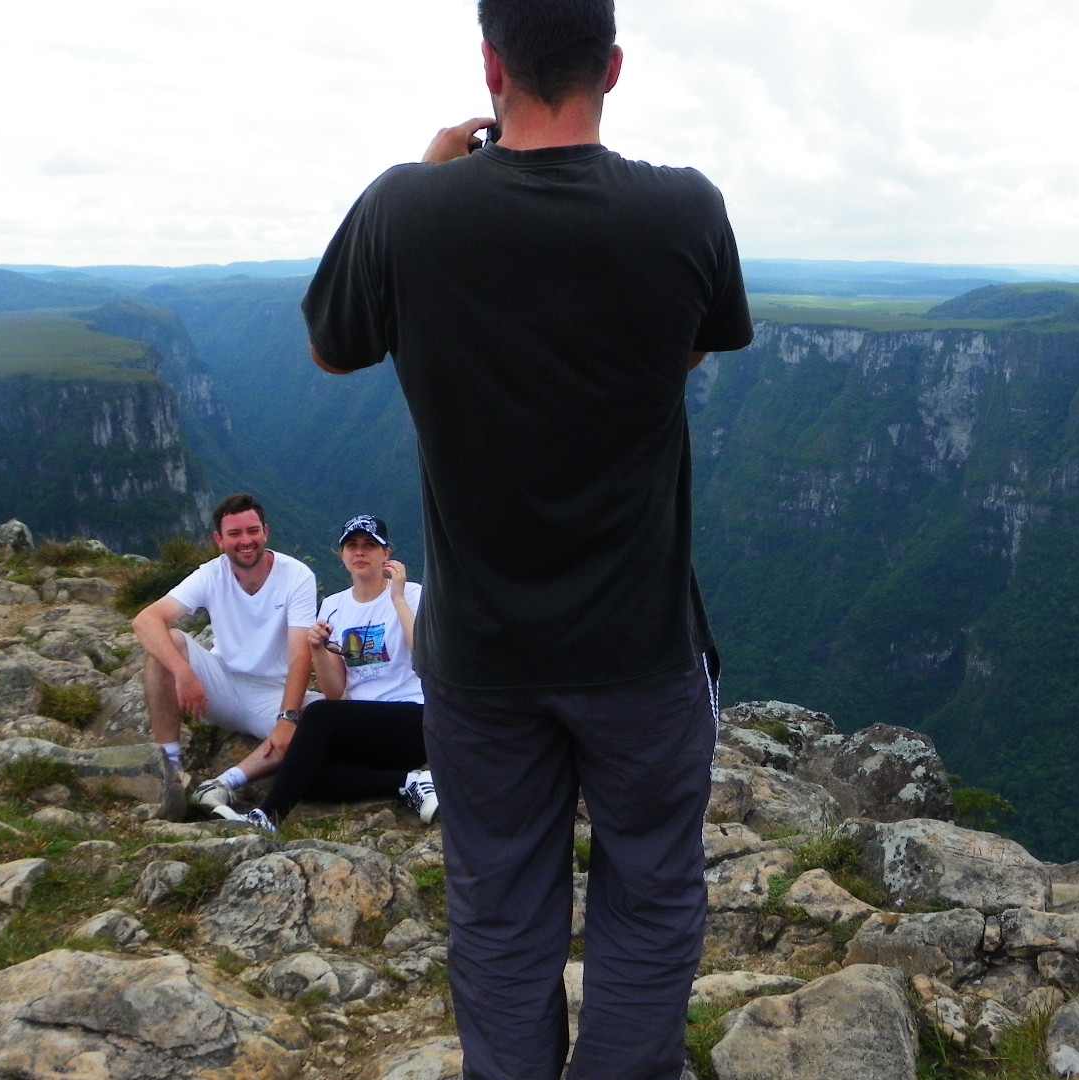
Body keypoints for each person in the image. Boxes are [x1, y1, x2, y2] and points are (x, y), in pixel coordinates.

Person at [300, 1, 752, 1075]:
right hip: (641, 649)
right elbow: (687, 350)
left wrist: (428, 172)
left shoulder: (409, 209)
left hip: (481, 659)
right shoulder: (685, 210)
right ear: (616, 65)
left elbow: (330, 348)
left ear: (491, 65)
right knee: (649, 893)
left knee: (501, 911)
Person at [214, 515, 438, 833]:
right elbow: (335, 691)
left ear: (386, 554)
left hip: (416, 718)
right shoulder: (333, 606)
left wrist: (397, 598)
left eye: (370, 545)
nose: (360, 552)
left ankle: (266, 818)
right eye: (352, 545)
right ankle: (406, 782)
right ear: (342, 555)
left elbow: (426, 655)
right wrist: (317, 648)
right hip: (364, 726)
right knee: (305, 772)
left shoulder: (413, 595)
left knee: (316, 714)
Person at [130, 493, 319, 820]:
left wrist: (287, 719)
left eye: (252, 531)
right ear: (219, 540)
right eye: (234, 534)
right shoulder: (210, 574)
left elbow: (300, 654)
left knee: (323, 719)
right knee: (170, 643)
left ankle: (224, 781)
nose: (245, 541)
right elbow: (145, 620)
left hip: (272, 695)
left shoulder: (296, 576)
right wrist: (184, 674)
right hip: (219, 685)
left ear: (266, 532)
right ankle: (170, 767)